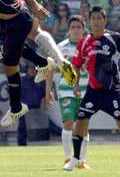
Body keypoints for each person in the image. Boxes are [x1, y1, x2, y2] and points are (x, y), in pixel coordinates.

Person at [64, 7, 120, 171]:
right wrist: (75, 86)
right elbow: (76, 65)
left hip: (112, 91)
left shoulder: (114, 39)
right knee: (80, 122)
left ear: (105, 20)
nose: (96, 21)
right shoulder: (84, 42)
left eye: (99, 18)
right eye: (93, 18)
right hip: (93, 92)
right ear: (89, 21)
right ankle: (75, 159)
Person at [58, 15, 89, 169]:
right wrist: (47, 89)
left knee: (83, 126)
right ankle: (67, 158)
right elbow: (51, 68)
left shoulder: (90, 46)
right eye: (73, 27)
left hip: (86, 91)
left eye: (79, 27)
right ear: (69, 30)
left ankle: (82, 160)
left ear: (83, 29)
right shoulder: (60, 47)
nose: (76, 30)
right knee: (69, 122)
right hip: (66, 91)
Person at [17, 62, 45, 146]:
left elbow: (44, 94)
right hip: (24, 109)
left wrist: (43, 103)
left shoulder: (40, 81)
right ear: (27, 70)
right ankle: (21, 145)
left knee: (41, 128)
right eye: (31, 69)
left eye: (35, 69)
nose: (33, 71)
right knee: (22, 127)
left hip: (36, 110)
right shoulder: (21, 81)